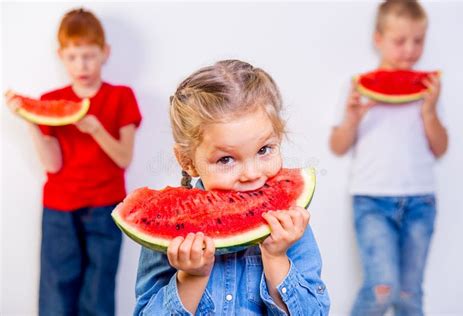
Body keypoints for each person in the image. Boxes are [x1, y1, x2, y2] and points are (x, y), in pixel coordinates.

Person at [134, 59, 330, 315]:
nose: (251, 174)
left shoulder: (290, 226)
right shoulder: (174, 229)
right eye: (226, 159)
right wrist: (190, 277)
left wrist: (276, 258)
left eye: (264, 150)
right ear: (188, 161)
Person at [5, 8, 142, 316]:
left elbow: (124, 158)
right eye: (73, 56)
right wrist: (30, 120)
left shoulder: (122, 97)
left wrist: (96, 130)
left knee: (99, 290)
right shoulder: (51, 99)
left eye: (89, 55)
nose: (82, 65)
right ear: (61, 56)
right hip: (59, 209)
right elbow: (52, 165)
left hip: (108, 208)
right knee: (56, 291)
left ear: (105, 53)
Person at [329, 1, 448, 315]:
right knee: (382, 289)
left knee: (409, 295)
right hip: (372, 200)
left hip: (421, 200)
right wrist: (352, 117)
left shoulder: (429, 89)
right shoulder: (357, 87)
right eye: (399, 41)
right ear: (378, 38)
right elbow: (338, 145)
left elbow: (440, 148)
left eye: (418, 41)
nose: (409, 50)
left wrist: (429, 110)